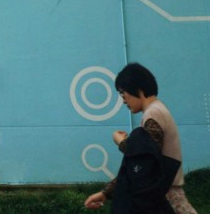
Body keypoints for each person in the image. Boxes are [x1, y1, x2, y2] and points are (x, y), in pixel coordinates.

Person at [84, 63, 198, 214]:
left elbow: (143, 159)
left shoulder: (153, 114)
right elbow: (138, 165)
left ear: (137, 89)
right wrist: (106, 193)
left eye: (123, 93)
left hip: (164, 193)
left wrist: (121, 142)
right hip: (163, 189)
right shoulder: (156, 110)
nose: (123, 100)